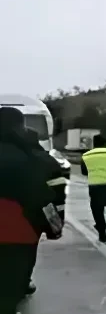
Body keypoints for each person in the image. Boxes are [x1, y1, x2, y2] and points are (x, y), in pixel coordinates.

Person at [0, 107, 63, 314]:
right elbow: (45, 199)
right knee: (5, 304)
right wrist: (53, 228)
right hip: (17, 240)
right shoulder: (31, 157)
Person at [16, 125, 68, 296]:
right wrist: (56, 223)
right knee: (28, 249)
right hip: (34, 215)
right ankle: (23, 281)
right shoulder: (46, 160)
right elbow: (58, 194)